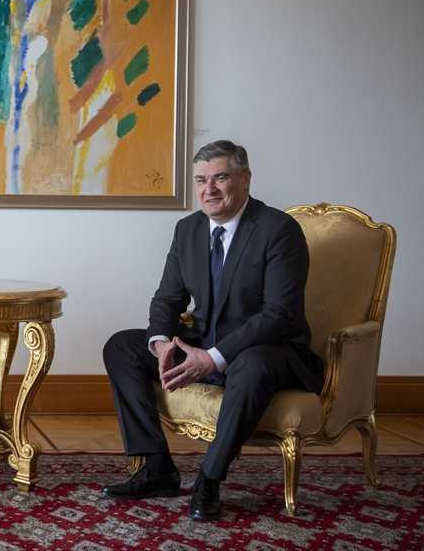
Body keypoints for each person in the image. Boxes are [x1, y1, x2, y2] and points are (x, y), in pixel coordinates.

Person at [101, 140, 323, 521]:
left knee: (251, 364)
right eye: (201, 180)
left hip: (269, 350)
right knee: (121, 346)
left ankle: (209, 479)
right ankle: (156, 467)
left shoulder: (278, 230)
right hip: (204, 342)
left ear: (245, 180)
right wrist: (161, 343)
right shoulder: (188, 230)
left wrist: (214, 357)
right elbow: (167, 299)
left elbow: (279, 314)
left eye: (220, 178)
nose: (209, 189)